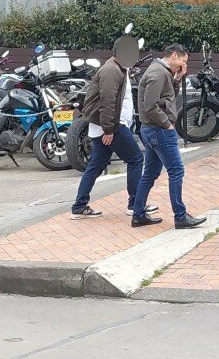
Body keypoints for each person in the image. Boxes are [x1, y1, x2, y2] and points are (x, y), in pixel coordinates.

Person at [70, 37, 157, 219]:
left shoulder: (119, 68)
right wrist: (109, 130)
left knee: (96, 165)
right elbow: (107, 102)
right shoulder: (111, 70)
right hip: (111, 125)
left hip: (106, 124)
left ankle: (79, 206)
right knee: (135, 159)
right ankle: (135, 204)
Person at [131, 44, 206, 230]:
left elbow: (168, 97)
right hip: (159, 130)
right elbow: (150, 105)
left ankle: (138, 214)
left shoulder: (162, 72)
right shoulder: (158, 73)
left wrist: (177, 79)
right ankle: (180, 216)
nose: (183, 64)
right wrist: (167, 124)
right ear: (174, 56)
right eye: (183, 60)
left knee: (150, 173)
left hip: (151, 130)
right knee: (176, 170)